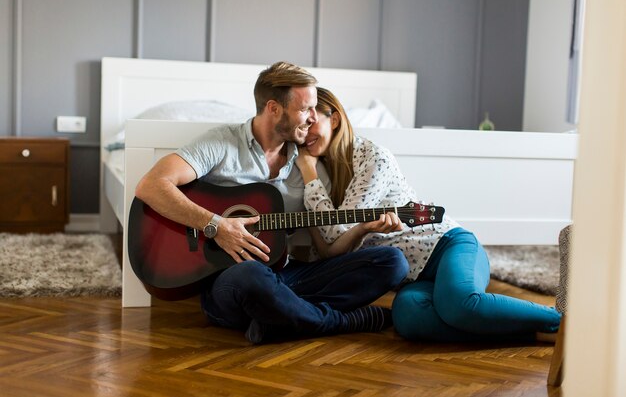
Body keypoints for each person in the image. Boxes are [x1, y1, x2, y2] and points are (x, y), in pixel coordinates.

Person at [134, 62, 408, 344]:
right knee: (252, 276)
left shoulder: (310, 167)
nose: (312, 118)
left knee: (392, 262)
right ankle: (337, 321)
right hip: (230, 282)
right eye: (305, 109)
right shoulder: (221, 143)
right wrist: (217, 225)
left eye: (315, 109)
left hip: (284, 276)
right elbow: (151, 186)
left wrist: (362, 229)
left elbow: (326, 250)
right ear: (274, 109)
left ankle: (277, 319)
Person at [295, 87, 561, 342]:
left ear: (336, 119)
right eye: (302, 126)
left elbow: (335, 230)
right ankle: (534, 333)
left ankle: (563, 323)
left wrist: (309, 174)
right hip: (416, 277)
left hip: (449, 245)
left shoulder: (373, 159)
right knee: (407, 317)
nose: (305, 134)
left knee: (459, 305)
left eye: (312, 122)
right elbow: (330, 250)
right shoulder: (326, 170)